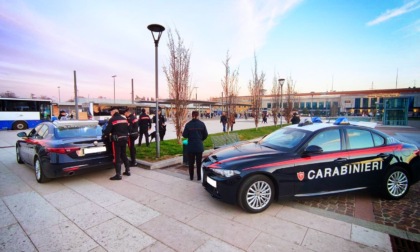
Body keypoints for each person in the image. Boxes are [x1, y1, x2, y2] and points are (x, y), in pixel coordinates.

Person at [102, 107, 130, 180]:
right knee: (124, 154)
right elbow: (128, 128)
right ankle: (128, 170)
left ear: (113, 112)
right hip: (125, 139)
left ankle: (118, 175)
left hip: (117, 140)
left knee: (116, 156)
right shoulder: (124, 119)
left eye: (111, 113)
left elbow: (107, 131)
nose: (110, 114)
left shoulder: (112, 119)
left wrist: (104, 135)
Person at [182, 111, 208, 181]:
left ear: (192, 115)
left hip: (191, 146)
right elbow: (206, 135)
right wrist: (200, 139)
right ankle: (199, 177)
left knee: (191, 162)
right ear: (198, 115)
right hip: (199, 146)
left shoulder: (188, 124)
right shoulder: (202, 124)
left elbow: (184, 135)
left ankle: (191, 177)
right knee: (199, 163)